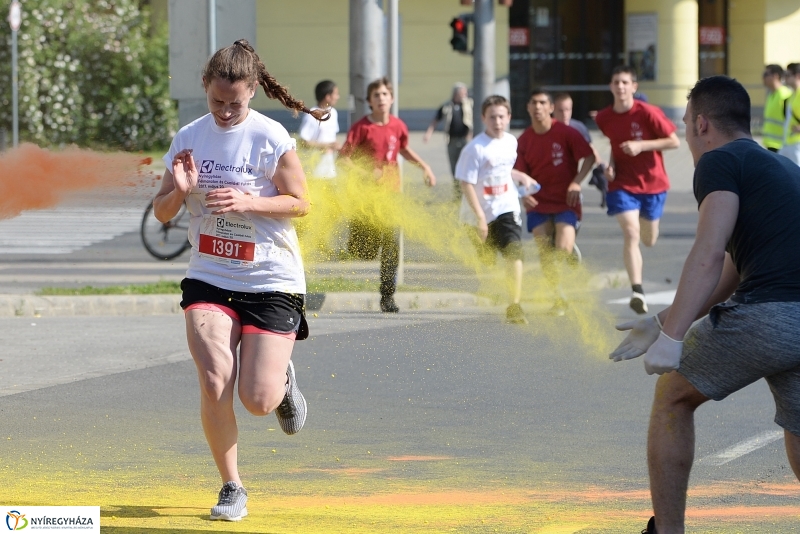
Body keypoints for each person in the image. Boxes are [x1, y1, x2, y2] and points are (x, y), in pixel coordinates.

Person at [610, 75, 800, 534]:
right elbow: (734, 267)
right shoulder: (782, 166)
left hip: (770, 314)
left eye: (685, 122)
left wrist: (674, 338)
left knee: (673, 397)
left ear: (700, 124)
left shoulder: (718, 162)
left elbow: (709, 251)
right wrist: (662, 321)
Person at [153, 39, 320, 522]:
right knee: (212, 380)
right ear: (205, 88)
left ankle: (282, 380)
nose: (226, 112)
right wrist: (181, 191)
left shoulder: (272, 138)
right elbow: (163, 211)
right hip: (208, 271)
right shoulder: (188, 137)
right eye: (217, 102)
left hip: (270, 276)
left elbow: (301, 203)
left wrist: (248, 201)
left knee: (258, 400)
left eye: (236, 103)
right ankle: (232, 486)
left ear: (252, 92)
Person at [339, 77, 436, 313]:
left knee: (392, 243)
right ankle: (359, 242)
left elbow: (403, 149)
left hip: (391, 194)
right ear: (370, 101)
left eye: (385, 94)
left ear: (391, 99)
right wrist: (364, 173)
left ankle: (387, 296)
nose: (381, 99)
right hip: (366, 199)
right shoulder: (361, 127)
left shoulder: (398, 126)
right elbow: (342, 160)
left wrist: (425, 167)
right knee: (364, 251)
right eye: (376, 95)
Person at [595, 65, 680, 315]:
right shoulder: (604, 118)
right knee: (631, 233)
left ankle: (638, 284)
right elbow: (614, 145)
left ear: (634, 87)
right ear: (611, 87)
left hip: (653, 184)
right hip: (622, 184)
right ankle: (637, 290)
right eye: (616, 82)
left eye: (625, 82)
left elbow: (674, 141)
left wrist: (642, 145)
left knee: (648, 240)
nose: (620, 87)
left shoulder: (648, 112)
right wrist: (610, 167)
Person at [456, 95, 538, 325]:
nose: (497, 121)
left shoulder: (511, 142)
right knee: (488, 259)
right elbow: (466, 184)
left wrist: (522, 178)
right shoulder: (475, 149)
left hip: (507, 204)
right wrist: (481, 218)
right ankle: (485, 250)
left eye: (502, 116)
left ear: (509, 117)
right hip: (479, 211)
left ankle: (514, 304)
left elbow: (505, 170)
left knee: (514, 250)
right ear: (483, 118)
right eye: (492, 117)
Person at [515, 89, 595, 316]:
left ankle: (568, 250)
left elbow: (589, 157)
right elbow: (516, 173)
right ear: (528, 108)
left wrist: (577, 182)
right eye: (534, 103)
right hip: (538, 202)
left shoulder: (566, 133)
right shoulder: (524, 140)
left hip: (565, 201)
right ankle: (558, 296)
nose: (538, 107)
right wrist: (522, 193)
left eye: (542, 103)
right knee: (544, 249)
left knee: (561, 249)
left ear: (551, 108)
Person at [552, 92, 607, 207]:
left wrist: (600, 163)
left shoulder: (578, 127)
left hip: (571, 179)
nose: (565, 114)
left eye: (568, 110)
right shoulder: (547, 129)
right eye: (560, 110)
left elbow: (589, 149)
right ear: (553, 109)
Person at [423, 82, 473, 199]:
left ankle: (468, 194)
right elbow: (435, 120)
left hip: (465, 141)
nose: (464, 95)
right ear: (456, 93)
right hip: (451, 141)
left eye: (465, 93)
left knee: (466, 168)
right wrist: (428, 134)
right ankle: (457, 194)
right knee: (455, 169)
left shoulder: (469, 104)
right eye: (462, 93)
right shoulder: (446, 106)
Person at [298, 79, 340, 178]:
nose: (338, 97)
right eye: (336, 94)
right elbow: (303, 142)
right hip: (314, 171)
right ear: (328, 97)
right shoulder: (312, 115)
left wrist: (335, 145)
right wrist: (326, 145)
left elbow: (331, 138)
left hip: (329, 170)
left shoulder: (333, 113)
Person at [761, 64, 792, 152]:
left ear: (775, 76)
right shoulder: (771, 95)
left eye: (766, 74)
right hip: (771, 144)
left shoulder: (785, 95)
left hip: (782, 145)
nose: (763, 77)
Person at [779, 62, 800, 165]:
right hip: (788, 142)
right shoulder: (792, 96)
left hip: (797, 144)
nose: (785, 78)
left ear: (797, 76)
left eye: (787, 75)